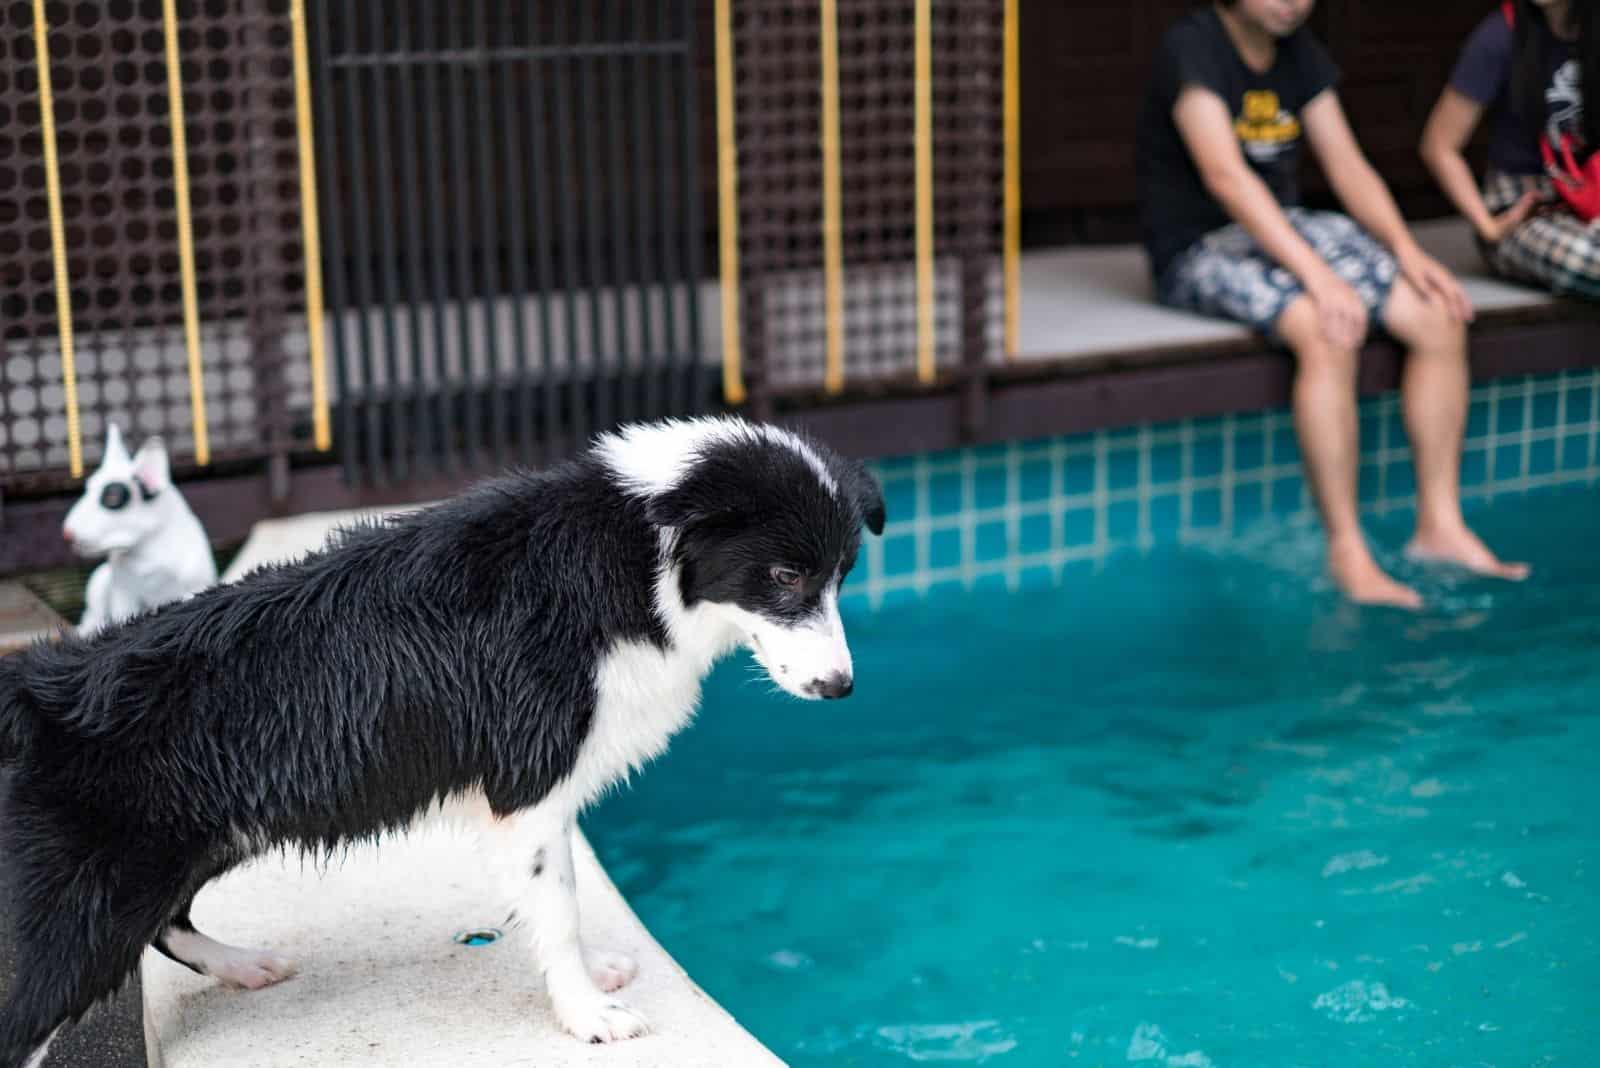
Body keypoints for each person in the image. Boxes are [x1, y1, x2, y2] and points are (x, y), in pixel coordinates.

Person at [1135, 0, 1529, 608]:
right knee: (1326, 327)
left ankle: (1440, 528)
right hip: (1200, 245)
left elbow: (1346, 165)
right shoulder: (1193, 47)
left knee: (1436, 312)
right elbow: (1225, 177)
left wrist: (1407, 250)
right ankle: (1347, 551)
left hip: (1284, 229)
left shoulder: (1300, 51)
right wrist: (1318, 278)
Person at [1421, 0, 1600, 299]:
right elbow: (1439, 145)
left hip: (1590, 187)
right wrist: (1487, 226)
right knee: (1590, 259)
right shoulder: (1498, 35)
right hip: (1525, 206)